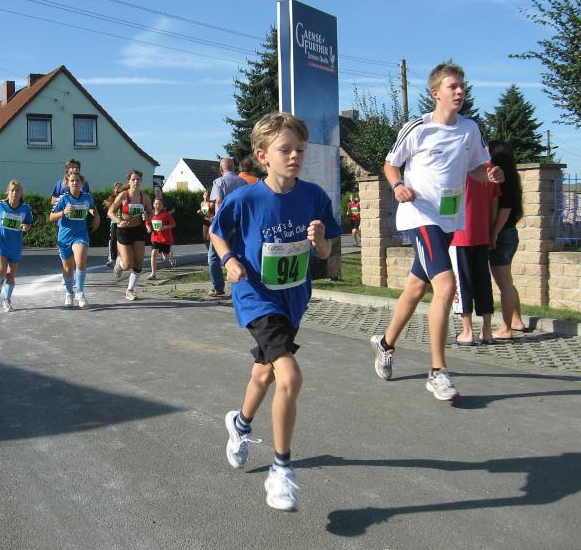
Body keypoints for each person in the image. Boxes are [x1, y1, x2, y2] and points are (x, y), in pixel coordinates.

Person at [212, 112, 341, 511]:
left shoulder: (314, 197)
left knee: (265, 372)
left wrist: (320, 242)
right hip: (256, 295)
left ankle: (240, 423)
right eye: (286, 149)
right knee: (289, 375)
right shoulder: (245, 198)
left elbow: (326, 253)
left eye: (300, 149)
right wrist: (229, 260)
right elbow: (217, 233)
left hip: (293, 299)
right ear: (263, 155)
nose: (295, 156)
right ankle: (281, 469)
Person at [369, 62, 504, 401]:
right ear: (436, 93)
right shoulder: (418, 128)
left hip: (448, 219)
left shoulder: (470, 129)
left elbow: (474, 168)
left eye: (462, 86)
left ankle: (385, 344)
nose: (459, 91)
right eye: (452, 86)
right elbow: (390, 163)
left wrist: (489, 176)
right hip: (419, 214)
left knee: (416, 288)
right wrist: (398, 185)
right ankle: (438, 371)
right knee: (445, 284)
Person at [449, 171, 501, 345]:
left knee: (461, 281)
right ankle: (487, 330)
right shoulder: (490, 169)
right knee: (483, 282)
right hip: (482, 233)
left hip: (458, 235)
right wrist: (491, 232)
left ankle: (467, 332)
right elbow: (494, 204)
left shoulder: (459, 165)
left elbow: (449, 199)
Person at [488, 141, 528, 340]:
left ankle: (505, 328)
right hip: (509, 233)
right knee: (508, 282)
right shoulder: (512, 178)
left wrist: (494, 233)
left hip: (502, 235)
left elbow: (505, 209)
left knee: (504, 284)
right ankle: (517, 320)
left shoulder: (502, 180)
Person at [50, 171, 99, 308]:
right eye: (72, 180)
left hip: (80, 235)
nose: (75, 183)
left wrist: (96, 215)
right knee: (67, 268)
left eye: (77, 180)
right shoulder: (63, 199)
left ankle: (80, 292)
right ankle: (69, 293)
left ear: (81, 183)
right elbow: (51, 217)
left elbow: (92, 208)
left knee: (80, 260)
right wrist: (63, 212)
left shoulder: (87, 197)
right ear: (67, 183)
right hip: (65, 237)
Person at [108, 169, 153, 301]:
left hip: (138, 230)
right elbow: (110, 212)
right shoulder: (123, 196)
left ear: (141, 181)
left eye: (138, 179)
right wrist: (119, 221)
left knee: (138, 263)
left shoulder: (144, 197)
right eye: (133, 179)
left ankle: (130, 290)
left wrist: (147, 217)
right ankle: (119, 263)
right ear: (129, 181)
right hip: (124, 231)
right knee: (128, 264)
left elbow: (150, 213)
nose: (136, 181)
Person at [0, 180, 34, 313]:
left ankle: (7, 300)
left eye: (17, 190)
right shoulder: (0, 205)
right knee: (1, 270)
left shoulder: (26, 208)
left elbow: (29, 224)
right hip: (1, 243)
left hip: (15, 246)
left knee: (11, 275)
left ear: (21, 193)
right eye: (12, 190)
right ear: (7, 191)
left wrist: (26, 227)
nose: (14, 193)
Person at [208, 158, 247, 296]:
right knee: (237, 255)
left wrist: (215, 217)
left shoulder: (218, 182)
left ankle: (218, 287)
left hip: (222, 226)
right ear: (234, 168)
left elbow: (218, 201)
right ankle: (240, 286)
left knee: (214, 257)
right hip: (239, 225)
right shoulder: (242, 182)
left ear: (221, 169)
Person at [146, 197, 176, 280]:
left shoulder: (166, 214)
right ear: (153, 205)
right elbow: (147, 223)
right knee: (154, 253)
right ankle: (153, 273)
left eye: (160, 204)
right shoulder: (151, 214)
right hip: (155, 238)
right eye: (156, 204)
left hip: (165, 239)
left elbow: (173, 224)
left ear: (162, 206)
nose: (158, 206)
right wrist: (148, 228)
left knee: (165, 257)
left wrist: (163, 227)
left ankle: (170, 258)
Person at [103, 182, 124, 267]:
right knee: (113, 240)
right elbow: (109, 209)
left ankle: (123, 257)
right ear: (114, 189)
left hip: (123, 222)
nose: (118, 189)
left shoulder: (124, 197)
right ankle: (112, 258)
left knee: (122, 240)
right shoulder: (112, 198)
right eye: (116, 188)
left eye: (120, 188)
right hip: (114, 222)